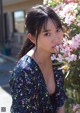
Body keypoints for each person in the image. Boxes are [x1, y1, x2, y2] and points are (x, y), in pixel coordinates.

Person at [9, 5, 67, 113]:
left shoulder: (57, 58)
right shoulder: (25, 71)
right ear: (32, 38)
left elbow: (60, 102)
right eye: (47, 34)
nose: (56, 38)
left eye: (58, 30)